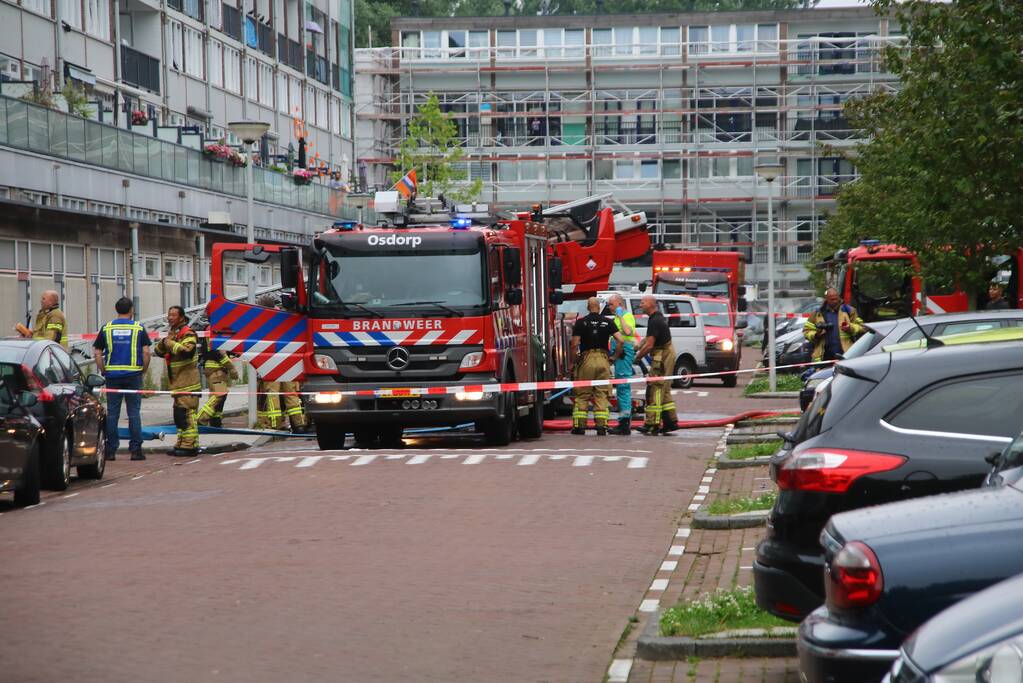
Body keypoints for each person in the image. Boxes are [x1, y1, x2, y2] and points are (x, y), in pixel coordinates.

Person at [93, 297, 151, 461]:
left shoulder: (107, 328)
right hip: (133, 375)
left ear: (116, 309)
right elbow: (146, 352)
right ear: (131, 310)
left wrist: (104, 370)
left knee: (112, 413)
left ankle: (110, 451)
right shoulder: (138, 328)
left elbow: (97, 353)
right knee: (134, 412)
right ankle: (136, 450)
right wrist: (143, 370)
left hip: (112, 375)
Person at [570, 296, 625, 436]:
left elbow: (575, 344)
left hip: (586, 360)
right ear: (599, 308)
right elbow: (621, 340)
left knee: (583, 394)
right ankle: (601, 427)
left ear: (588, 307)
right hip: (603, 360)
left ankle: (579, 427)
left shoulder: (581, 322)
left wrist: (574, 360)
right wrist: (614, 356)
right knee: (601, 394)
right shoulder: (608, 322)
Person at [154, 305, 201, 456]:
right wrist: (163, 343)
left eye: (174, 315)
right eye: (169, 315)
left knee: (187, 414)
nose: (170, 317)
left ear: (181, 317)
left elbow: (187, 351)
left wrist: (169, 344)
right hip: (177, 383)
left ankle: (190, 445)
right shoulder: (172, 333)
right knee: (179, 415)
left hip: (188, 383)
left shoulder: (188, 333)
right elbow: (159, 351)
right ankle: (181, 443)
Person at [634, 295, 680, 436]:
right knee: (664, 389)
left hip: (663, 356)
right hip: (664, 354)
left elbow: (649, 344)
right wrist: (637, 346)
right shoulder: (655, 318)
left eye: (643, 302)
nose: (640, 304)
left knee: (656, 388)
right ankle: (670, 422)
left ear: (651, 304)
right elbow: (648, 339)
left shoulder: (655, 320)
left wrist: (637, 357)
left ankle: (652, 424)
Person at [606, 293, 639, 436]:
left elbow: (627, 332)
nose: (609, 307)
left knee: (623, 386)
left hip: (624, 352)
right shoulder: (618, 317)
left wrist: (619, 316)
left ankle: (624, 423)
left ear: (619, 304)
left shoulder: (626, 316)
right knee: (620, 387)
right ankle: (623, 420)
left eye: (611, 304)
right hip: (619, 352)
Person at [803, 287, 865, 362]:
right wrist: (817, 334)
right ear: (826, 299)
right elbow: (806, 331)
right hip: (824, 357)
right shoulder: (817, 313)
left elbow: (862, 327)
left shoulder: (849, 310)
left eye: (836, 298)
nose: (835, 301)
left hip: (845, 355)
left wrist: (850, 328)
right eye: (832, 299)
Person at [253, 294, 282, 430]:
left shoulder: (262, 322)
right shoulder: (279, 319)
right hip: (280, 362)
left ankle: (273, 424)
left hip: (268, 364)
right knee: (272, 395)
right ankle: (266, 422)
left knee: (270, 394)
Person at [196, 338, 237, 428]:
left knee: (218, 396)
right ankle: (200, 419)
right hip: (216, 368)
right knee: (219, 395)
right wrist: (231, 368)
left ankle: (215, 421)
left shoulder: (214, 330)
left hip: (215, 367)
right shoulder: (216, 330)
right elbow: (219, 353)